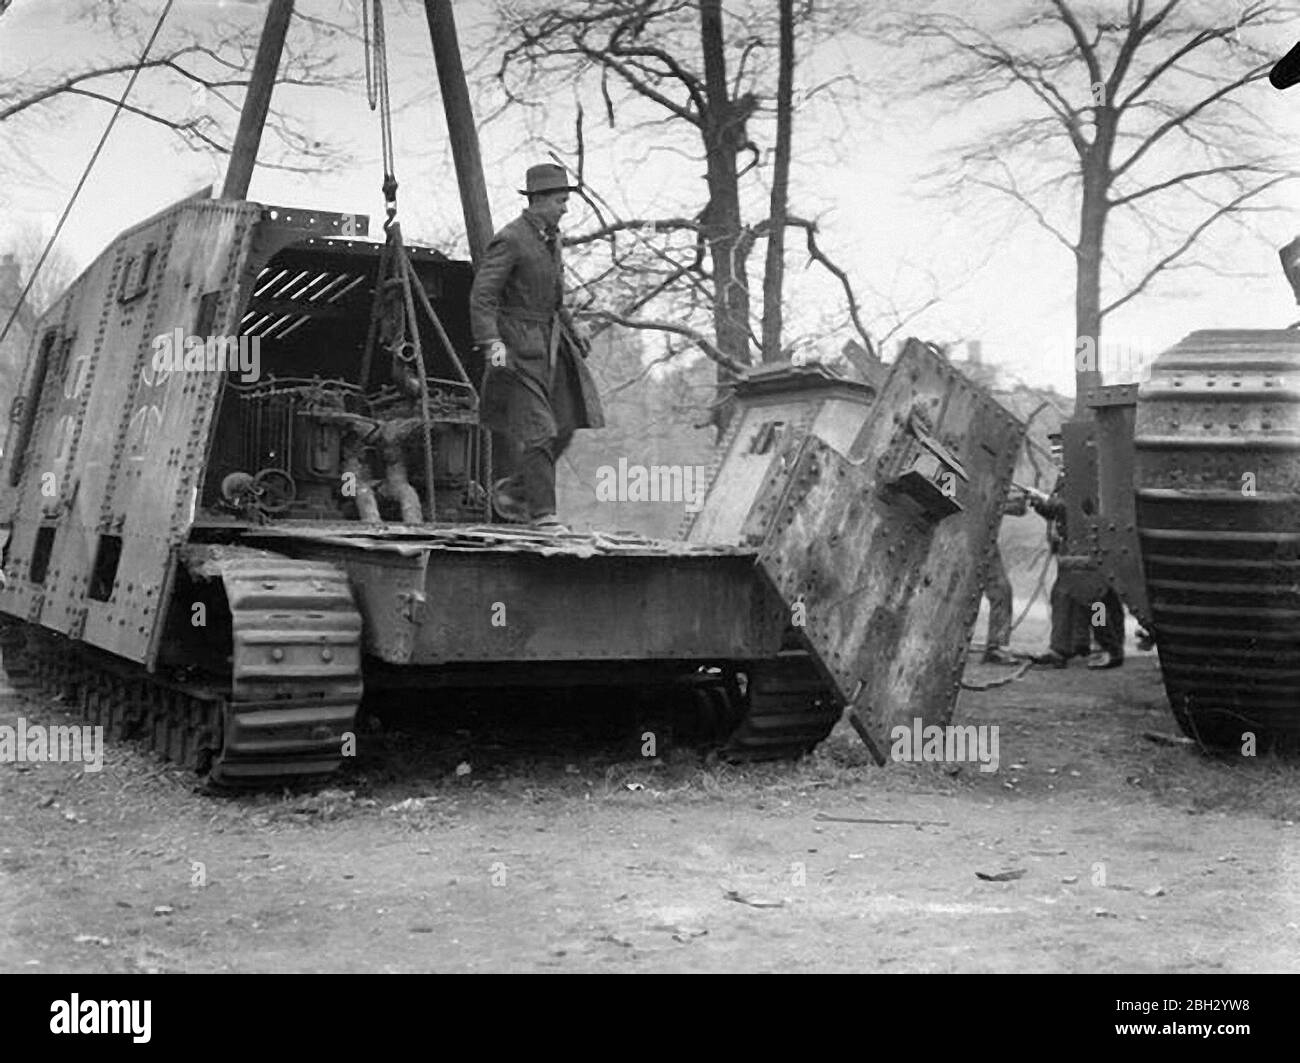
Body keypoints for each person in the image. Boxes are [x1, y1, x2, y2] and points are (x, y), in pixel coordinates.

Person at [469, 163, 604, 532]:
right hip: (515, 347)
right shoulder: (511, 239)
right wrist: (492, 347)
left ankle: (513, 492)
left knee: (566, 424)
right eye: (561, 200)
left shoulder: (551, 238)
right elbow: (482, 297)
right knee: (540, 430)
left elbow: (554, 298)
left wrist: (574, 333)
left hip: (552, 344)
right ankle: (543, 516)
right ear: (539, 200)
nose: (565, 208)